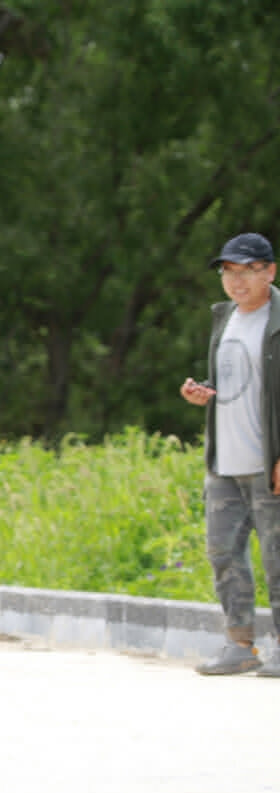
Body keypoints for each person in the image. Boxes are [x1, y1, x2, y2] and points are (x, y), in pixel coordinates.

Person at [180, 232, 280, 677]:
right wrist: (204, 392)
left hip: (268, 460)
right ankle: (241, 645)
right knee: (222, 552)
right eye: (228, 272)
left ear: (269, 271)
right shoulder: (225, 319)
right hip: (225, 462)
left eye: (246, 271)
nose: (236, 282)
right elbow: (238, 381)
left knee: (277, 556)